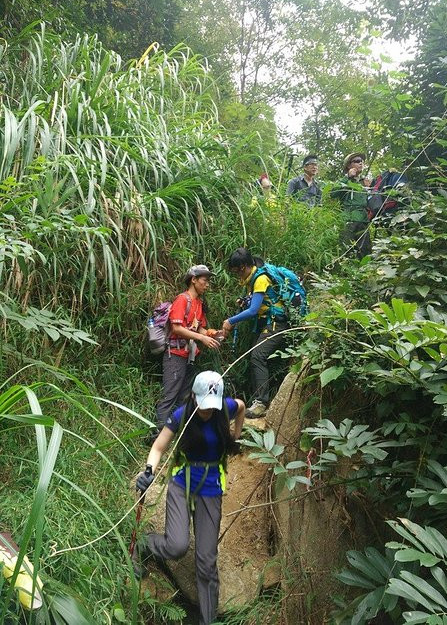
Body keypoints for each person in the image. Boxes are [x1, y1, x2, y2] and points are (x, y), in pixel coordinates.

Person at [135, 371, 245, 625]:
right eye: (203, 406)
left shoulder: (223, 408)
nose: (207, 411)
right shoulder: (182, 414)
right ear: (194, 397)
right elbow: (158, 447)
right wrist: (149, 471)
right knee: (177, 547)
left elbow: (241, 406)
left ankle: (208, 620)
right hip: (181, 483)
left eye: (211, 407)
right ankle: (143, 544)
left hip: (211, 488)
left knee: (206, 562)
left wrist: (236, 435)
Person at [222, 248, 289, 419]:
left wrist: (231, 321)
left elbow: (253, 311)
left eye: (237, 271)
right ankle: (259, 399)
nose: (237, 275)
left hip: (277, 324)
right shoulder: (255, 277)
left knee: (258, 356)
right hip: (270, 322)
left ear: (243, 267)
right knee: (256, 356)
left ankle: (261, 404)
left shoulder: (260, 279)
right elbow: (260, 301)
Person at [154, 265, 220, 431]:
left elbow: (199, 329)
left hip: (188, 355)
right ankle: (157, 434)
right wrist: (201, 337)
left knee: (184, 396)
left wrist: (212, 334)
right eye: (205, 281)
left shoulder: (198, 303)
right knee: (170, 395)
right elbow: (176, 328)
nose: (207, 285)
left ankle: (175, 431)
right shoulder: (183, 300)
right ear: (194, 280)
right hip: (175, 355)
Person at [330, 152, 372, 259]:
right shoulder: (344, 180)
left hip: (363, 219)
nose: (360, 163)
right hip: (348, 218)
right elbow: (333, 193)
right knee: (345, 248)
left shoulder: (364, 182)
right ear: (349, 165)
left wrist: (370, 189)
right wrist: (348, 177)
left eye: (361, 161)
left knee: (365, 250)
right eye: (357, 161)